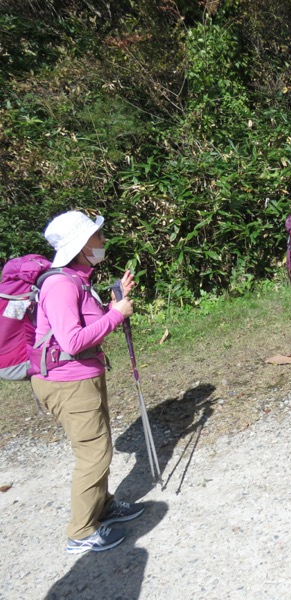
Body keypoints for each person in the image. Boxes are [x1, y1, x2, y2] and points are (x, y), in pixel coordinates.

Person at [31, 210, 145, 554]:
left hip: (83, 376)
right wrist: (116, 315)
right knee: (95, 454)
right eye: (96, 237)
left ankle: (102, 505)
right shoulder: (61, 284)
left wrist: (115, 301)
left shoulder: (77, 279)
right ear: (80, 246)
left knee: (99, 445)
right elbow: (72, 341)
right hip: (69, 382)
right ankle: (80, 531)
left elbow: (86, 324)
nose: (102, 242)